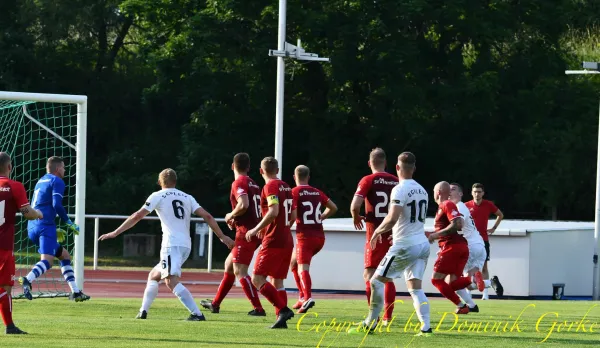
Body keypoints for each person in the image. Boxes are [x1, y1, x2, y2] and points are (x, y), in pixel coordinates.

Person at [98, 168, 234, 321]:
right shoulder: (187, 197)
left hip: (171, 245)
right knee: (154, 276)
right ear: (175, 182)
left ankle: (197, 314)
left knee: (170, 280)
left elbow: (137, 216)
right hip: (185, 246)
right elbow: (207, 216)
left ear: (159, 182)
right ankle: (143, 312)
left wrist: (115, 232)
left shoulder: (158, 195)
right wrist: (222, 236)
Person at [348, 152, 432, 337]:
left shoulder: (399, 188)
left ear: (397, 167)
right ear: (414, 168)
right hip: (422, 244)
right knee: (415, 288)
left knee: (376, 281)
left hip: (405, 244)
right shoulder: (422, 190)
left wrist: (378, 231)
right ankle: (426, 328)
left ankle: (370, 323)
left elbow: (393, 217)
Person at [201, 153, 265, 315]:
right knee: (229, 267)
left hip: (245, 233)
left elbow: (243, 204)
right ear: (249, 167)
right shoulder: (254, 184)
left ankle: (258, 308)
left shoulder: (239, 182)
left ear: (232, 166)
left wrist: (230, 215)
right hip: (254, 230)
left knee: (240, 271)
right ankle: (215, 304)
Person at [19, 156, 89, 302]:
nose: (64, 170)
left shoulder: (41, 180)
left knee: (64, 255)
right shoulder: (57, 181)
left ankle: (76, 293)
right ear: (57, 169)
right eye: (63, 167)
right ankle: (27, 279)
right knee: (48, 261)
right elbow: (57, 205)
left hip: (32, 226)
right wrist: (68, 222)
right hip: (45, 226)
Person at [245, 157, 295, 329]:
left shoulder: (270, 186)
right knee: (278, 281)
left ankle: (283, 310)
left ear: (261, 171)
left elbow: (273, 211)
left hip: (274, 239)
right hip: (287, 239)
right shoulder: (287, 186)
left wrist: (255, 229)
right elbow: (293, 215)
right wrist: (282, 227)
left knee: (257, 279)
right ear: (278, 170)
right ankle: (281, 320)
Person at [350, 148, 399, 324]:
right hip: (394, 234)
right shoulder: (396, 181)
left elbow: (355, 205)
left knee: (369, 275)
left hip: (375, 235)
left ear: (370, 163)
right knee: (388, 276)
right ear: (386, 163)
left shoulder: (368, 180)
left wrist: (356, 217)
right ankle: (388, 316)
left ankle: (374, 316)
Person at [0, 152, 43, 334]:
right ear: (9, 167)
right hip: (4, 244)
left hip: (7, 247)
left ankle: (10, 326)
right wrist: (39, 214)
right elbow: (27, 213)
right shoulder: (14, 186)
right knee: (3, 287)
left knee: (6, 287)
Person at [289, 165, 337, 314]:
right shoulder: (316, 192)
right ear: (308, 177)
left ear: (294, 177)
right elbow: (333, 207)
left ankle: (307, 298)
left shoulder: (294, 192)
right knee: (293, 263)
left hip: (305, 237)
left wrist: (285, 228)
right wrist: (322, 216)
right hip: (319, 237)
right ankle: (302, 296)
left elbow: (294, 215)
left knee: (303, 268)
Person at [427, 181, 472, 314]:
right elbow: (460, 221)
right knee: (452, 283)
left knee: (436, 279)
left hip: (451, 247)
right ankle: (473, 281)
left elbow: (457, 224)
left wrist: (435, 235)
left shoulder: (446, 204)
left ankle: (461, 304)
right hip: (461, 246)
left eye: (434, 191)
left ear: (438, 192)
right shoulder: (446, 206)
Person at [449, 183, 486, 312]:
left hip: (470, 247)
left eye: (453, 189)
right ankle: (472, 305)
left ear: (460, 194)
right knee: (467, 284)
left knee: (452, 281)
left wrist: (437, 234)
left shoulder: (458, 206)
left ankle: (466, 304)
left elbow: (458, 224)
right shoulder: (460, 207)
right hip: (479, 245)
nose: (449, 191)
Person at [465, 183, 505, 299]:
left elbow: (500, 215)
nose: (477, 194)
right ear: (472, 193)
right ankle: (468, 294)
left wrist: (493, 228)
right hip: (469, 241)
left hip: (483, 240)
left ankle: (485, 294)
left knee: (484, 267)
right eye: (475, 192)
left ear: (483, 193)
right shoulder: (466, 206)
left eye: (479, 192)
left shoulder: (488, 204)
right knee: (468, 267)